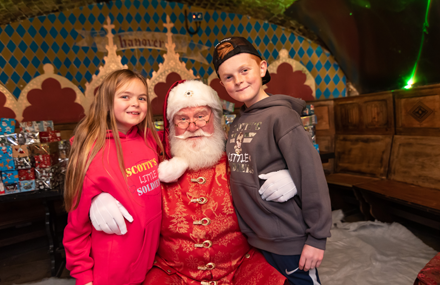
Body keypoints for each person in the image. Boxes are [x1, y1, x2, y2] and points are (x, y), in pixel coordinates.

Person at [89, 79, 297, 284]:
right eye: (182, 119)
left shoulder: (239, 159)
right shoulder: (154, 159)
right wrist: (95, 196)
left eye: (201, 117)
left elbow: (278, 153)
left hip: (240, 266)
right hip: (173, 273)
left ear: (215, 120)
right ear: (171, 127)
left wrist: (293, 175)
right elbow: (119, 164)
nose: (192, 126)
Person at [213, 36, 332, 285]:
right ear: (222, 84)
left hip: (288, 238)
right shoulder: (237, 122)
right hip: (255, 238)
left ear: (263, 68)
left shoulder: (281, 116)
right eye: (228, 77)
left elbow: (310, 174)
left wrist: (317, 239)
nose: (238, 80)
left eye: (245, 70)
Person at [63, 69, 163, 285]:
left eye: (142, 98)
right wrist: (83, 277)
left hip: (151, 262)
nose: (135, 103)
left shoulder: (150, 141)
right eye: (125, 96)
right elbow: (76, 228)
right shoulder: (91, 152)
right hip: (112, 271)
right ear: (107, 102)